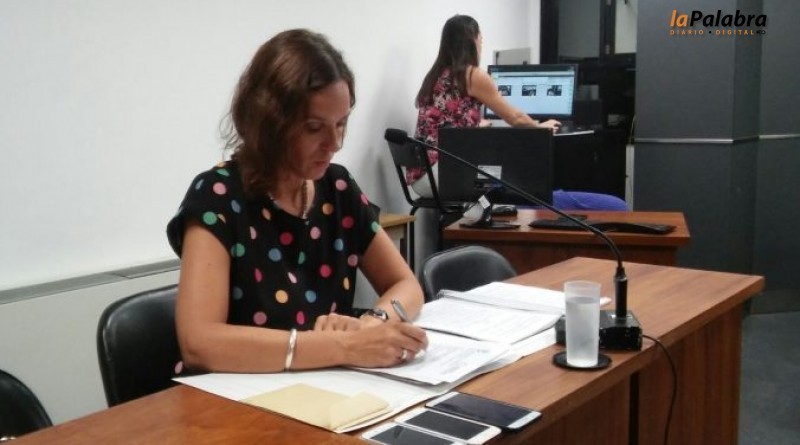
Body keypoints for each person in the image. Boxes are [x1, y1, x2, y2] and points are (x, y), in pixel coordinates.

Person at [167, 29, 427, 374]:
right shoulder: (217, 197)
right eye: (314, 128)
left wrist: (372, 323)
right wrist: (344, 346)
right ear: (269, 124)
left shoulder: (337, 187)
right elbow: (199, 343)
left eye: (341, 123)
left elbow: (406, 285)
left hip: (323, 389)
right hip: (235, 397)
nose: (334, 143)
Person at [408, 15, 628, 212]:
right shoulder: (472, 75)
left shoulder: (436, 75)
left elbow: (445, 121)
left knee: (498, 168)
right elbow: (515, 118)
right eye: (480, 39)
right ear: (472, 40)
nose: (481, 44)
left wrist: (476, 125)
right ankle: (538, 214)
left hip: (422, 177)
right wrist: (539, 127)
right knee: (516, 180)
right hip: (444, 177)